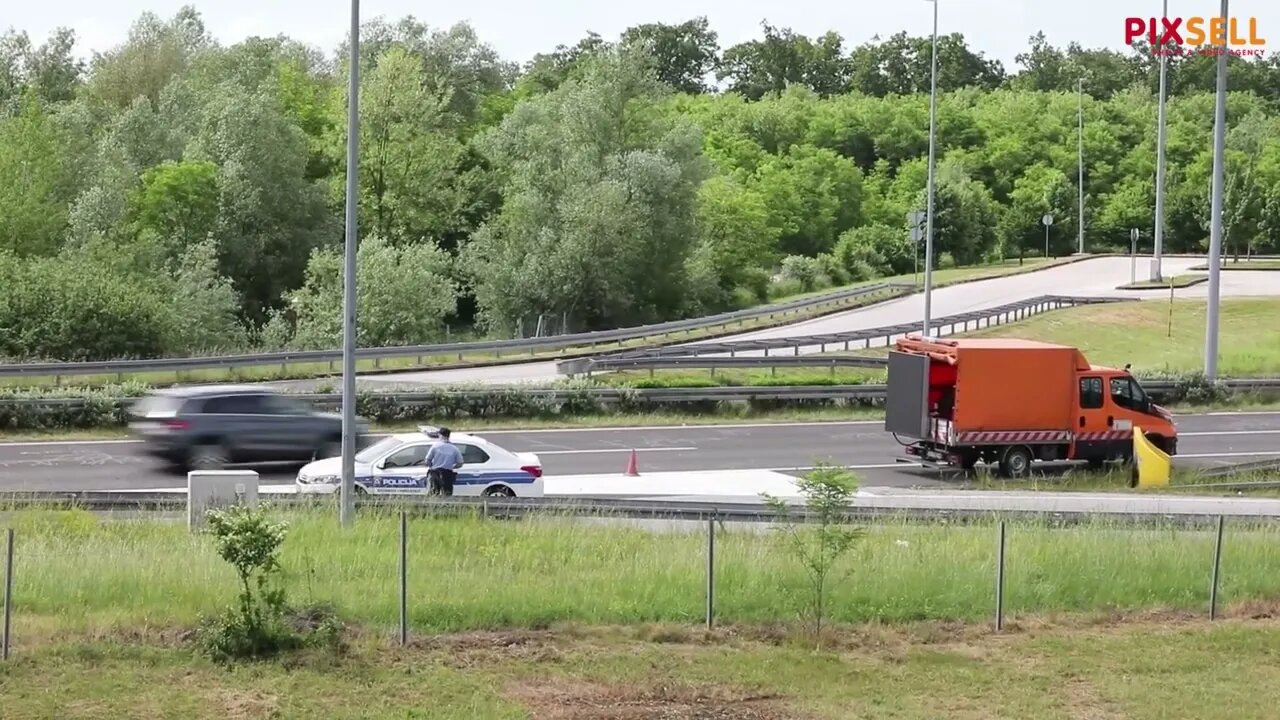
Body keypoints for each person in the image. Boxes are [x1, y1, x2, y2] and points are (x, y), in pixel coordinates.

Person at [424, 427, 463, 496]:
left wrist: (431, 466)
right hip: (447, 474)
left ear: (440, 435)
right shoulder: (454, 448)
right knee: (447, 495)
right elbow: (460, 463)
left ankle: (434, 506)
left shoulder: (435, 446)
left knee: (433, 494)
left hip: (435, 473)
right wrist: (452, 466)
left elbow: (427, 460)